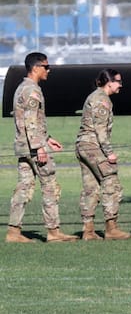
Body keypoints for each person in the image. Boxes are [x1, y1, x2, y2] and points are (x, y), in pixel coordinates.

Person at [6, 52, 78, 243]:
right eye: (46, 66)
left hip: (24, 146)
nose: (49, 70)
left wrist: (48, 138)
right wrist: (39, 147)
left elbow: (30, 121)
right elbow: (30, 121)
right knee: (50, 186)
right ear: (36, 68)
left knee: (24, 187)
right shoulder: (32, 90)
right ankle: (53, 231)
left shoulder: (22, 88)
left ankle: (13, 232)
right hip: (33, 147)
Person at [75, 69, 131, 241]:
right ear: (109, 82)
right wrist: (110, 153)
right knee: (111, 181)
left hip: (83, 145)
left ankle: (88, 230)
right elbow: (101, 131)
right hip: (93, 146)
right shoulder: (102, 100)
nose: (121, 85)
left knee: (91, 188)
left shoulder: (95, 96)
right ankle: (111, 227)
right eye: (119, 82)